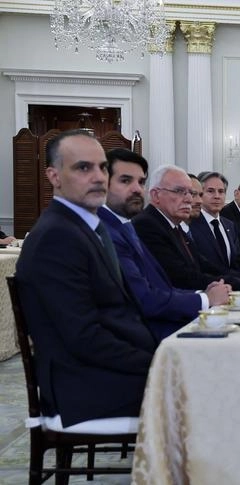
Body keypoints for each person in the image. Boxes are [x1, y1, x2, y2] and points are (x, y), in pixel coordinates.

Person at [14, 129, 157, 428]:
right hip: (84, 389)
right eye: (83, 167)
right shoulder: (56, 236)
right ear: (54, 176)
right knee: (208, 392)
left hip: (105, 373)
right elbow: (84, 338)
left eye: (102, 168)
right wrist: (159, 362)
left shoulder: (82, 228)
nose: (98, 177)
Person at [98, 149, 230, 339]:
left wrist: (203, 293)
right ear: (103, 184)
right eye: (125, 180)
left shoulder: (126, 227)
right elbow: (145, 298)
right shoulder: (110, 231)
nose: (137, 189)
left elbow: (161, 285)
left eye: (141, 182)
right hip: (147, 336)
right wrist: (205, 299)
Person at [133, 166, 240, 291]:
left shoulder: (173, 225)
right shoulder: (147, 224)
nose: (190, 199)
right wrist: (239, 282)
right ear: (156, 195)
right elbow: (180, 276)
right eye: (179, 191)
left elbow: (204, 265)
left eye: (191, 193)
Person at [189, 171, 240, 275]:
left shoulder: (230, 225)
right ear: (200, 194)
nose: (217, 196)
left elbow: (235, 262)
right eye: (210, 191)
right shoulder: (190, 224)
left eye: (221, 191)